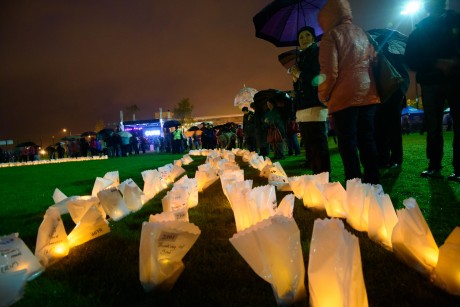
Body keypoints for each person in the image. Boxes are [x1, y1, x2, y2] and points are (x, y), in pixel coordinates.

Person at [318, 0, 381, 184]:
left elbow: (329, 72)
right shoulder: (362, 33)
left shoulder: (331, 36)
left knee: (348, 143)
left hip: (343, 98)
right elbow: (373, 61)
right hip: (368, 94)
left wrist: (323, 94)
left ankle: (354, 184)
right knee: (367, 140)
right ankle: (374, 181)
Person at [405, 0, 460, 181]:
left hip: (447, 80)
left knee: (436, 126)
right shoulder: (421, 29)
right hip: (435, 82)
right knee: (434, 126)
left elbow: (412, 59)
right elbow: (411, 59)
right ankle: (435, 165)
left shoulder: (452, 22)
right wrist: (439, 63)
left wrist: (451, 63)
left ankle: (441, 166)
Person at [289, 26, 331, 174]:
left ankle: (324, 177)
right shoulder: (302, 57)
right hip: (303, 106)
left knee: (318, 144)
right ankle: (317, 176)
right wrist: (296, 79)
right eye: (301, 37)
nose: (304, 38)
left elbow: (318, 77)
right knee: (310, 145)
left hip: (314, 103)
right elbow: (302, 82)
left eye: (307, 35)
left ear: (313, 38)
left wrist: (300, 74)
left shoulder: (317, 53)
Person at [374, 37, 411, 169]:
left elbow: (404, 78)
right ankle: (384, 159)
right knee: (381, 130)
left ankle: (394, 158)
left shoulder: (393, 58)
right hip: (380, 99)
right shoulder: (372, 60)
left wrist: (400, 93)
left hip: (392, 98)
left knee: (391, 129)